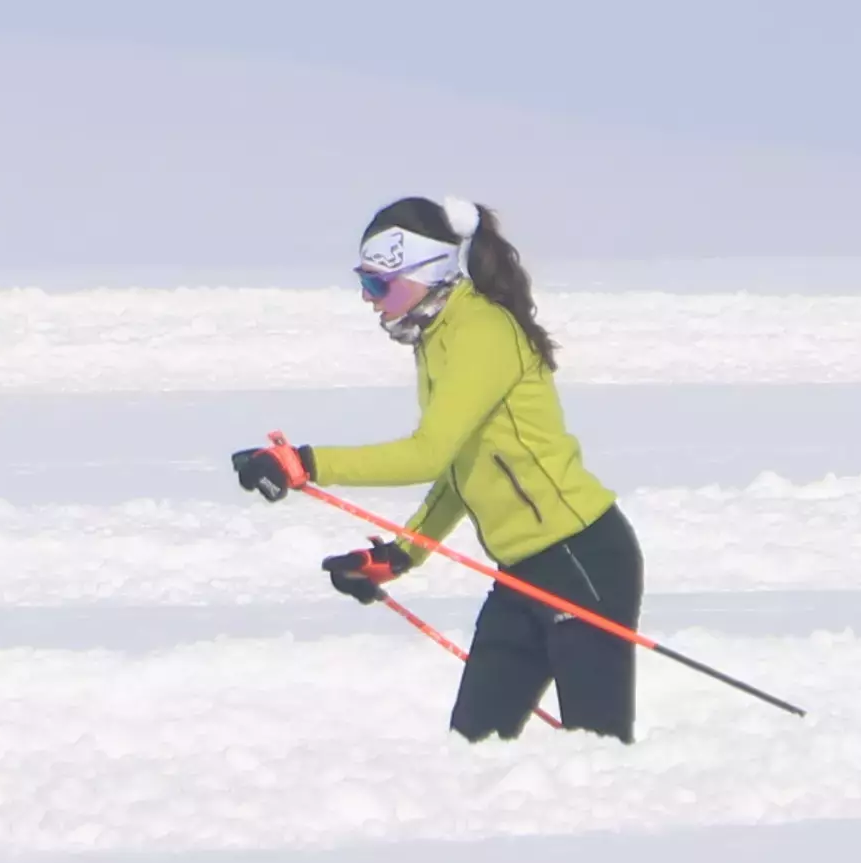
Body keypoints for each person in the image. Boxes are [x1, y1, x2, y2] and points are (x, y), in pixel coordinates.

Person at [230, 195, 643, 742]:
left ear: (426, 272)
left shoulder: (480, 334)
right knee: (471, 745)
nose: (367, 297)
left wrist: (304, 464)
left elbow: (425, 452)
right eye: (365, 281)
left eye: (379, 283)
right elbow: (455, 469)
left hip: (581, 560)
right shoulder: (437, 338)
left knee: (597, 757)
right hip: (521, 573)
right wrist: (400, 554)